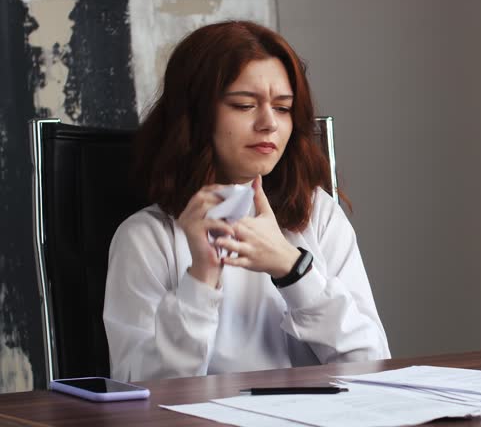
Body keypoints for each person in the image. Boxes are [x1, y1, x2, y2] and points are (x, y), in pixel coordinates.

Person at [103, 21, 390, 382]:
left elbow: (375, 364)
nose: (269, 123)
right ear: (195, 116)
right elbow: (138, 391)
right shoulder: (145, 238)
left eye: (283, 108)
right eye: (243, 105)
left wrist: (292, 268)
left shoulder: (318, 215)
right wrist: (201, 279)